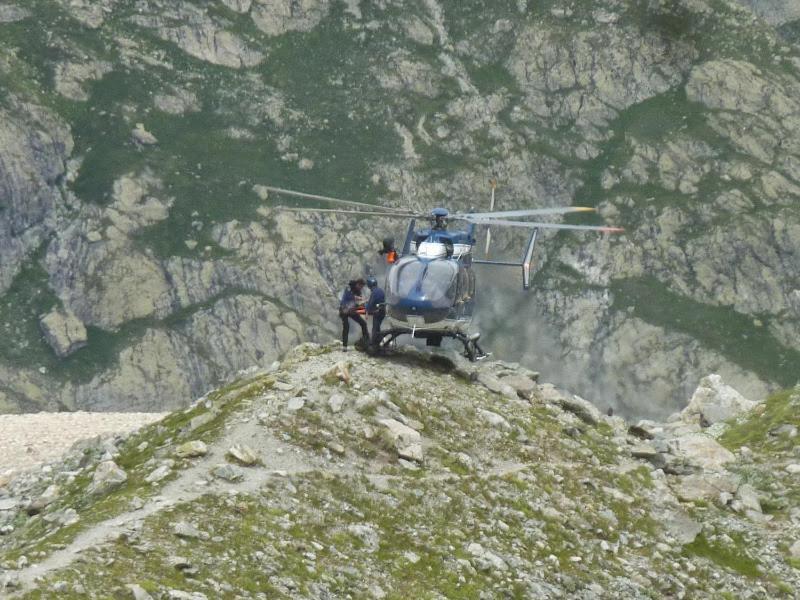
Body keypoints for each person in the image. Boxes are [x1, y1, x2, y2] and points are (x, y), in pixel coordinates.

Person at [339, 278, 368, 350]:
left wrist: (365, 310)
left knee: (363, 323)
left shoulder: (359, 291)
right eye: (360, 286)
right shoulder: (349, 286)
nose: (361, 288)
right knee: (346, 326)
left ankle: (366, 341)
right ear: (357, 284)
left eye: (362, 287)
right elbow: (347, 296)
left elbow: (358, 303)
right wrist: (356, 297)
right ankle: (344, 346)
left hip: (352, 310)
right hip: (344, 309)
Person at [365, 276, 386, 346]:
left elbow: (370, 304)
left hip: (377, 313)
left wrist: (367, 312)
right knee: (377, 327)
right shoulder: (381, 291)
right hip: (383, 312)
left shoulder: (374, 292)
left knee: (375, 329)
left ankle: (373, 345)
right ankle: (380, 340)